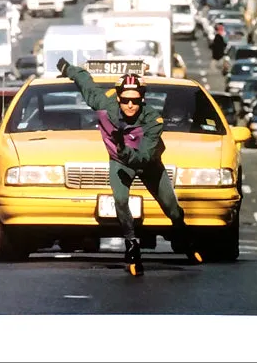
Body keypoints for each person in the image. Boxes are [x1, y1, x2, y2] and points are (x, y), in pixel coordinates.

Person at [56, 58, 203, 276]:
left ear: (142, 99)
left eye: (135, 100)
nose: (130, 105)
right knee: (121, 200)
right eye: (125, 100)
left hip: (148, 163)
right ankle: (131, 242)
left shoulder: (153, 119)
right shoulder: (104, 105)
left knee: (171, 207)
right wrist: (68, 69)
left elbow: (143, 157)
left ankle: (184, 238)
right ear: (118, 97)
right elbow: (85, 81)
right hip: (120, 163)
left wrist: (124, 148)